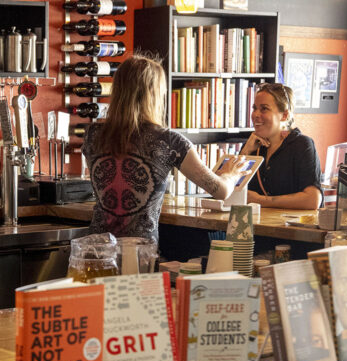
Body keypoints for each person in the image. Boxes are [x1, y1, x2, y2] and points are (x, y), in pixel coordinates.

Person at [82, 53, 249, 243]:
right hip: (139, 251)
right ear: (154, 93)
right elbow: (220, 191)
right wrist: (231, 174)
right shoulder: (169, 141)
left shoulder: (93, 134)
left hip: (96, 247)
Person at [240, 82, 323, 210]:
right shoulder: (252, 145)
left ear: (284, 115)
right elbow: (227, 190)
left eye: (264, 109)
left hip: (290, 228)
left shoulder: (301, 145)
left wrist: (261, 201)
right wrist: (245, 152)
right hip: (255, 226)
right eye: (254, 108)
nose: (255, 114)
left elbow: (313, 199)